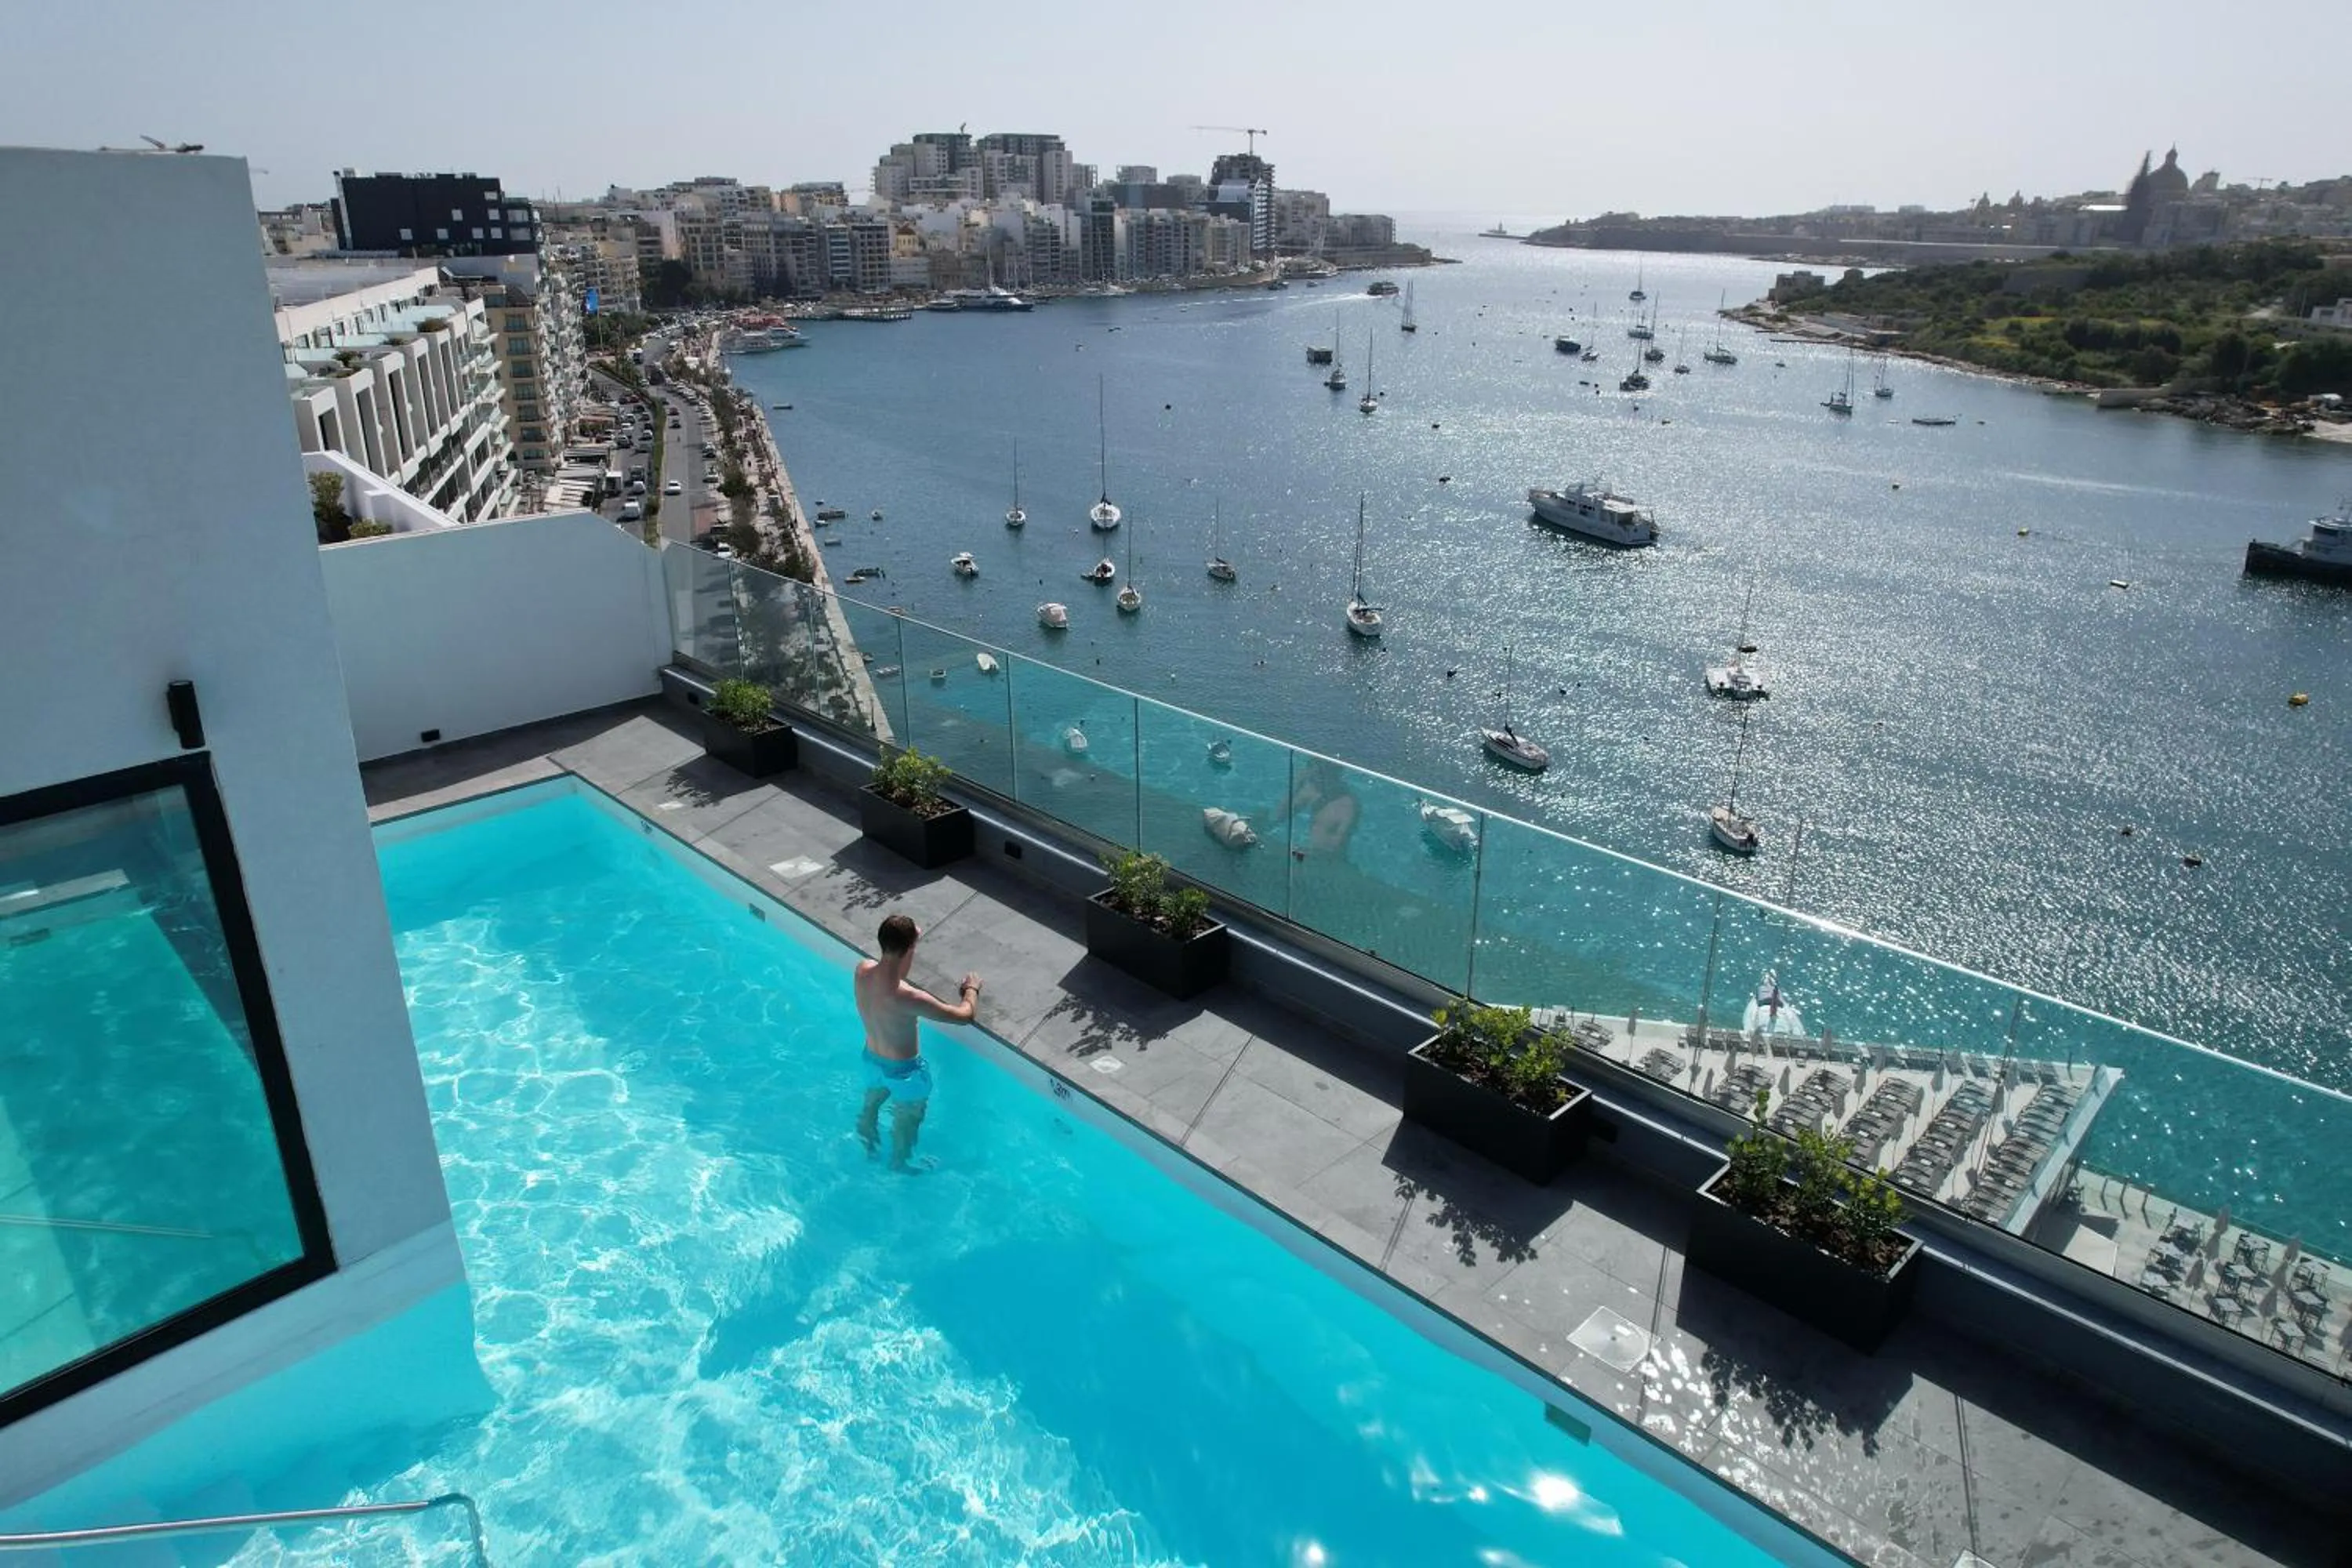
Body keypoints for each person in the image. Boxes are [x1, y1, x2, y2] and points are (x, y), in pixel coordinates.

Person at [853, 913, 981, 1171]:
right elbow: (964, 1016)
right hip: (906, 1076)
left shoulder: (862, 970)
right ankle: (899, 1166)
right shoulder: (910, 998)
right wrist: (972, 990)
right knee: (905, 1127)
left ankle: (867, 1147)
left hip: (871, 1062)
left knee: (870, 1109)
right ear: (910, 949)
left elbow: (894, 961)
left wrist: (907, 941)